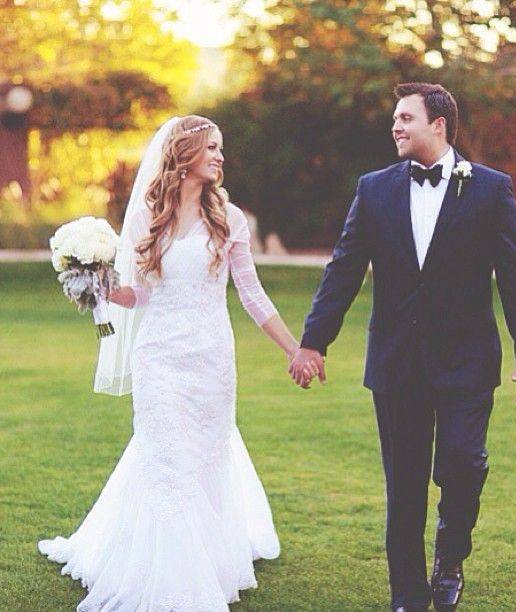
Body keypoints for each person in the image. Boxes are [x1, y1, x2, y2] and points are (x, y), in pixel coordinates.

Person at [289, 83, 516, 611]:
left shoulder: (490, 189)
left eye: (406, 117)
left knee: (464, 463)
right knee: (404, 488)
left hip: (469, 363)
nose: (396, 126)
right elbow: (342, 271)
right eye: (394, 119)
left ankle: (450, 555)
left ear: (440, 124)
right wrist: (314, 342)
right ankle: (407, 596)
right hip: (397, 363)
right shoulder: (374, 188)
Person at [38, 115, 299, 611]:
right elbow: (138, 295)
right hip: (158, 358)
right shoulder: (146, 219)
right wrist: (97, 284)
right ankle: (175, 577)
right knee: (164, 459)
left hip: (211, 359)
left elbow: (252, 294)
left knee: (203, 456)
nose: (221, 157)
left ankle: (204, 555)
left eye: (222, 148)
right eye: (212, 148)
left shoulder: (230, 218)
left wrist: (293, 348)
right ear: (184, 155)